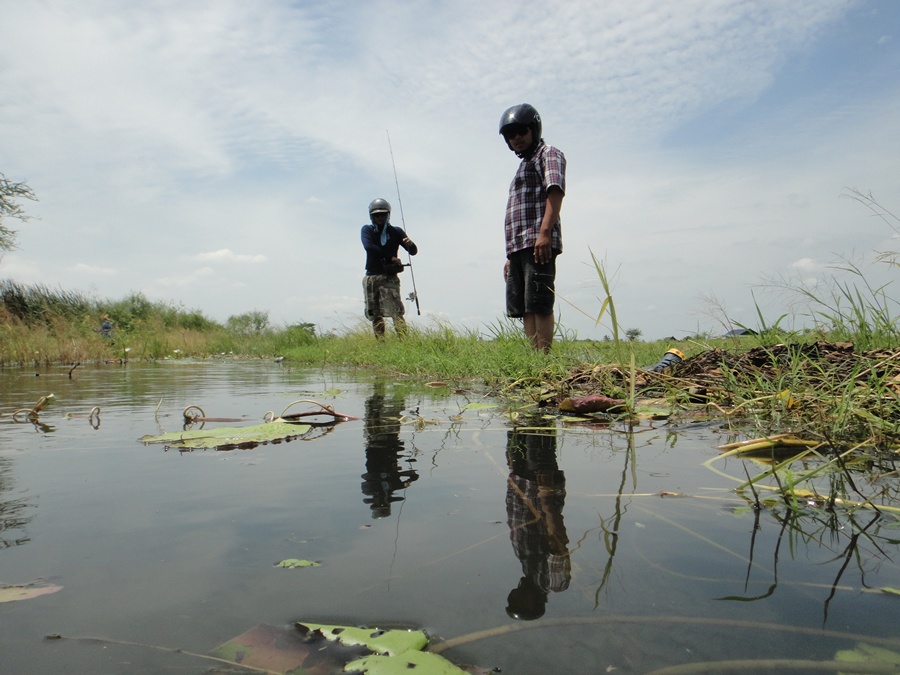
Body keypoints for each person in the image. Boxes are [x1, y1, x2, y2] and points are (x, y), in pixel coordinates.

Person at [499, 104, 566, 353]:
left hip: (538, 241)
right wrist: (510, 256)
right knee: (525, 306)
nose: (516, 138)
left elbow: (555, 190)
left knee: (540, 302)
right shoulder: (522, 165)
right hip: (519, 246)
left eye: (521, 131)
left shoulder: (547, 154)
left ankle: (544, 358)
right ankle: (534, 358)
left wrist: (545, 233)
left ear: (533, 129)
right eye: (511, 135)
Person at [361, 198, 418, 338]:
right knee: (375, 313)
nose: (380, 217)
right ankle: (381, 344)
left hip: (389, 277)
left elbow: (413, 252)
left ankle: (404, 342)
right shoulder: (367, 230)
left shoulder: (396, 231)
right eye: (376, 215)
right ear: (371, 216)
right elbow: (369, 247)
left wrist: (410, 244)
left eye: (383, 214)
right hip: (372, 276)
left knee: (396, 312)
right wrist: (390, 258)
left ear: (388, 215)